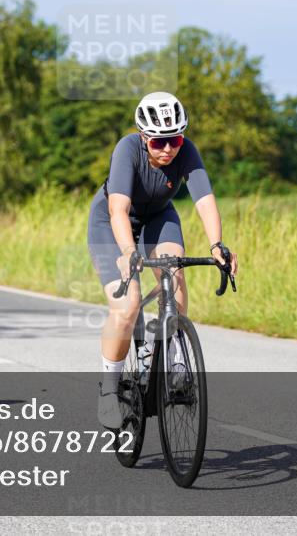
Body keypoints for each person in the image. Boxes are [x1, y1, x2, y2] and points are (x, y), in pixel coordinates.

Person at [87, 91, 238, 429]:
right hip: (112, 221)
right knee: (128, 304)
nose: (168, 148)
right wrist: (128, 253)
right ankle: (109, 392)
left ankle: (174, 358)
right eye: (158, 143)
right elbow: (118, 209)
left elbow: (204, 200)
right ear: (144, 137)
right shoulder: (127, 149)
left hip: (158, 217)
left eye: (175, 140)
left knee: (174, 270)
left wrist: (217, 245)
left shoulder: (187, 152)